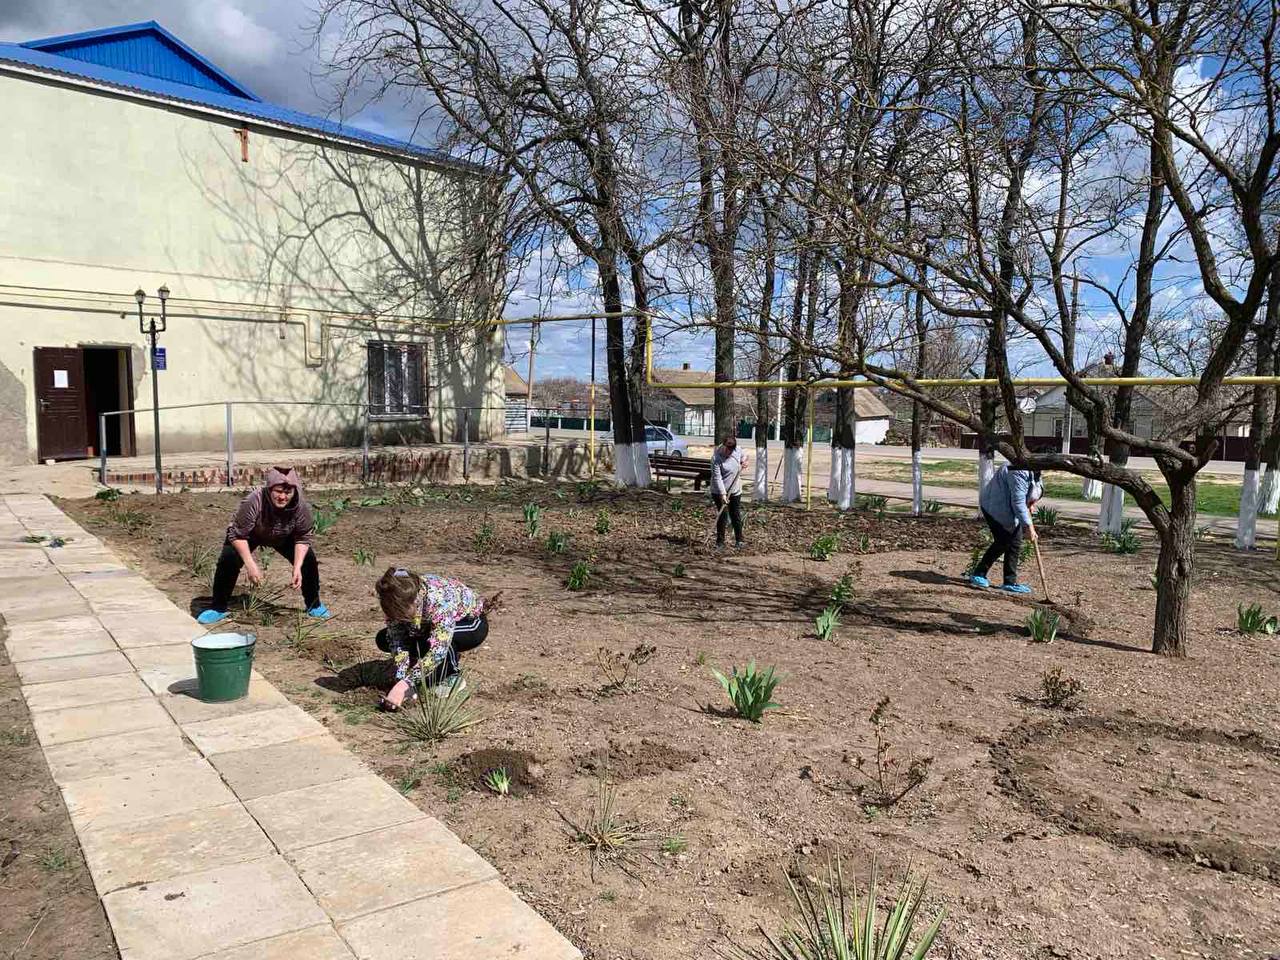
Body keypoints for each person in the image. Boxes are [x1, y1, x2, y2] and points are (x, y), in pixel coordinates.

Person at [197, 467, 328, 625]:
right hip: (250, 534)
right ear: (269, 489)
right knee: (229, 558)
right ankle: (218, 607)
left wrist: (297, 567)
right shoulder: (254, 500)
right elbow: (237, 534)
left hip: (284, 535)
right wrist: (250, 564)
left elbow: (302, 537)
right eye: (278, 491)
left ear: (294, 491)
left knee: (308, 561)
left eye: (287, 493)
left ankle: (314, 605)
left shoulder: (300, 506)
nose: (282, 497)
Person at [374, 567, 489, 710]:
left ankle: (451, 676)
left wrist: (407, 684)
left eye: (401, 614)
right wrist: (401, 675)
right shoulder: (392, 599)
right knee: (383, 638)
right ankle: (420, 667)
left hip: (471, 623)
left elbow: (438, 648)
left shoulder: (438, 600)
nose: (397, 617)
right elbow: (397, 639)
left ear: (413, 602)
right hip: (427, 624)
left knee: (440, 642)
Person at [969, 464, 1044, 593]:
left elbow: (1033, 490)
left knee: (1013, 542)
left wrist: (1031, 502)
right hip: (995, 507)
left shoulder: (1035, 470)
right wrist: (1028, 527)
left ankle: (1009, 581)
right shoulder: (1017, 469)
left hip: (1010, 510)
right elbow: (1018, 501)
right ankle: (979, 574)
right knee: (1004, 541)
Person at [711, 434, 748, 548]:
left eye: (731, 451)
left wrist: (744, 461)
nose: (729, 453)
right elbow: (717, 478)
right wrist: (723, 494)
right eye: (728, 451)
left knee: (735, 514)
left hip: (735, 490)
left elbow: (745, 455)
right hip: (719, 491)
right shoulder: (716, 457)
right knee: (722, 515)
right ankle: (720, 542)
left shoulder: (736, 450)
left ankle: (739, 540)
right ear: (723, 446)